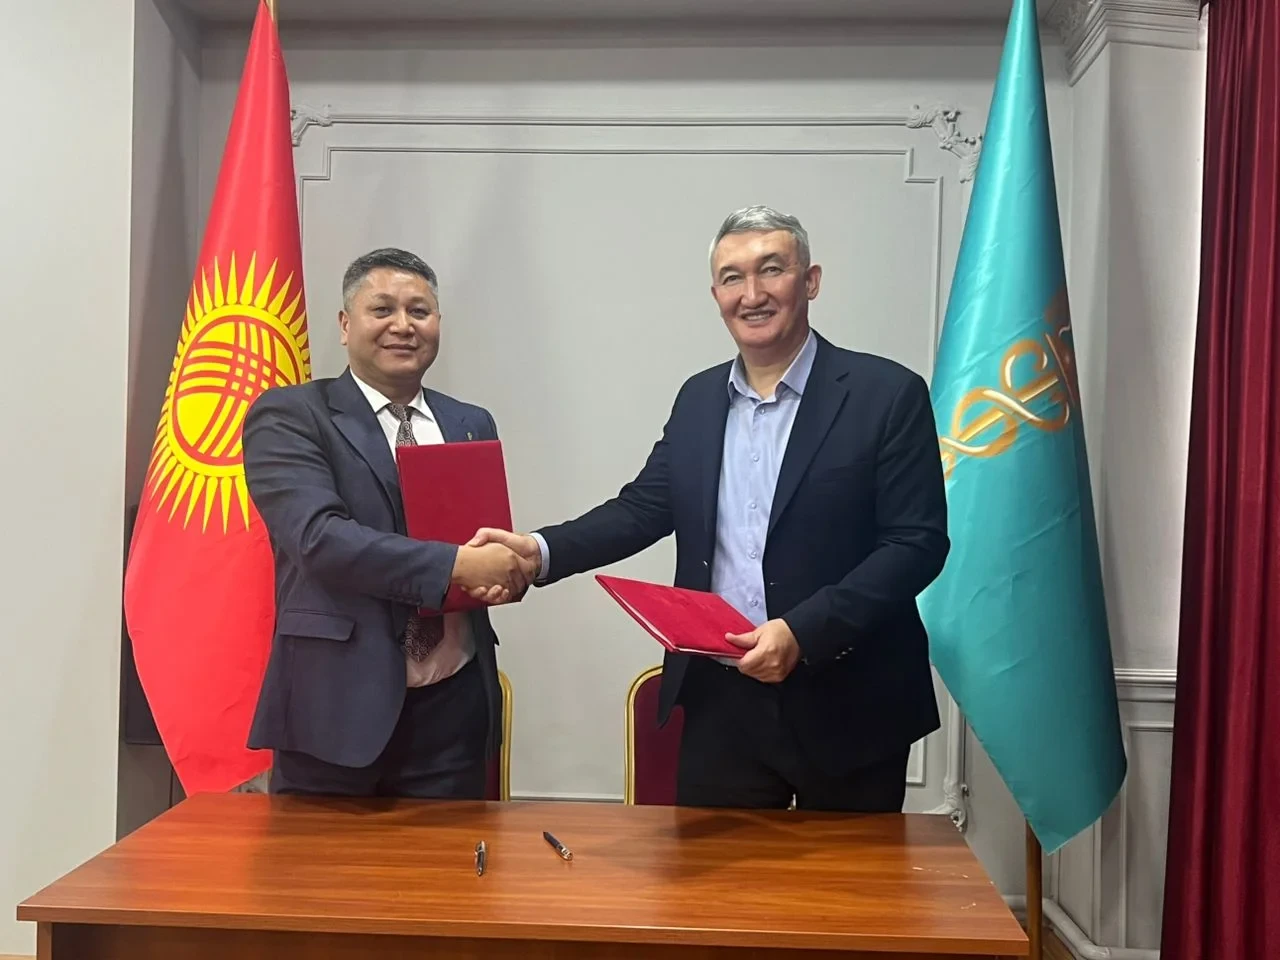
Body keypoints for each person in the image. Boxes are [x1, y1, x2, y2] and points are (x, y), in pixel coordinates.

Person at [474, 206, 949, 811]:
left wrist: (802, 632)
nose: (751, 294)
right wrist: (538, 552)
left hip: (851, 696)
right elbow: (643, 507)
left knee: (847, 877)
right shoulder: (699, 398)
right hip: (720, 698)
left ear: (810, 281)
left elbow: (916, 544)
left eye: (771, 270)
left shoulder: (887, 394)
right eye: (732, 277)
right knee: (713, 874)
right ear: (716, 295)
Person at [242, 247, 534, 798]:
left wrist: (502, 573)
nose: (403, 325)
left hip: (454, 710)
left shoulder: (469, 421)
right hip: (336, 708)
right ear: (345, 324)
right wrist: (457, 566)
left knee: (447, 859)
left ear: (437, 323)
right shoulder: (290, 415)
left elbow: (480, 542)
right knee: (324, 859)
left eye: (419, 311)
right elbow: (318, 539)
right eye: (382, 309)